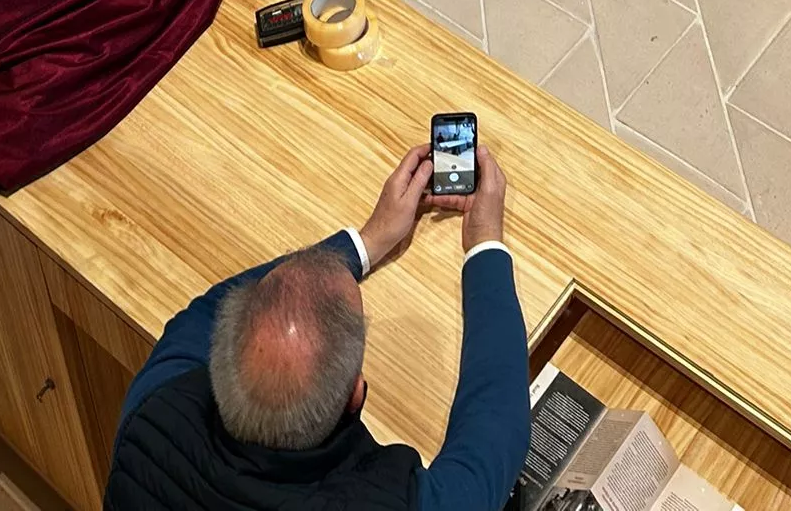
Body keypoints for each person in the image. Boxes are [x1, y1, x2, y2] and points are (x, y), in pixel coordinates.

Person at [105, 142, 529, 511]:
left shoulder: (150, 411)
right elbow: (493, 433)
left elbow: (204, 312)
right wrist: (486, 241)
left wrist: (368, 239)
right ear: (355, 396)